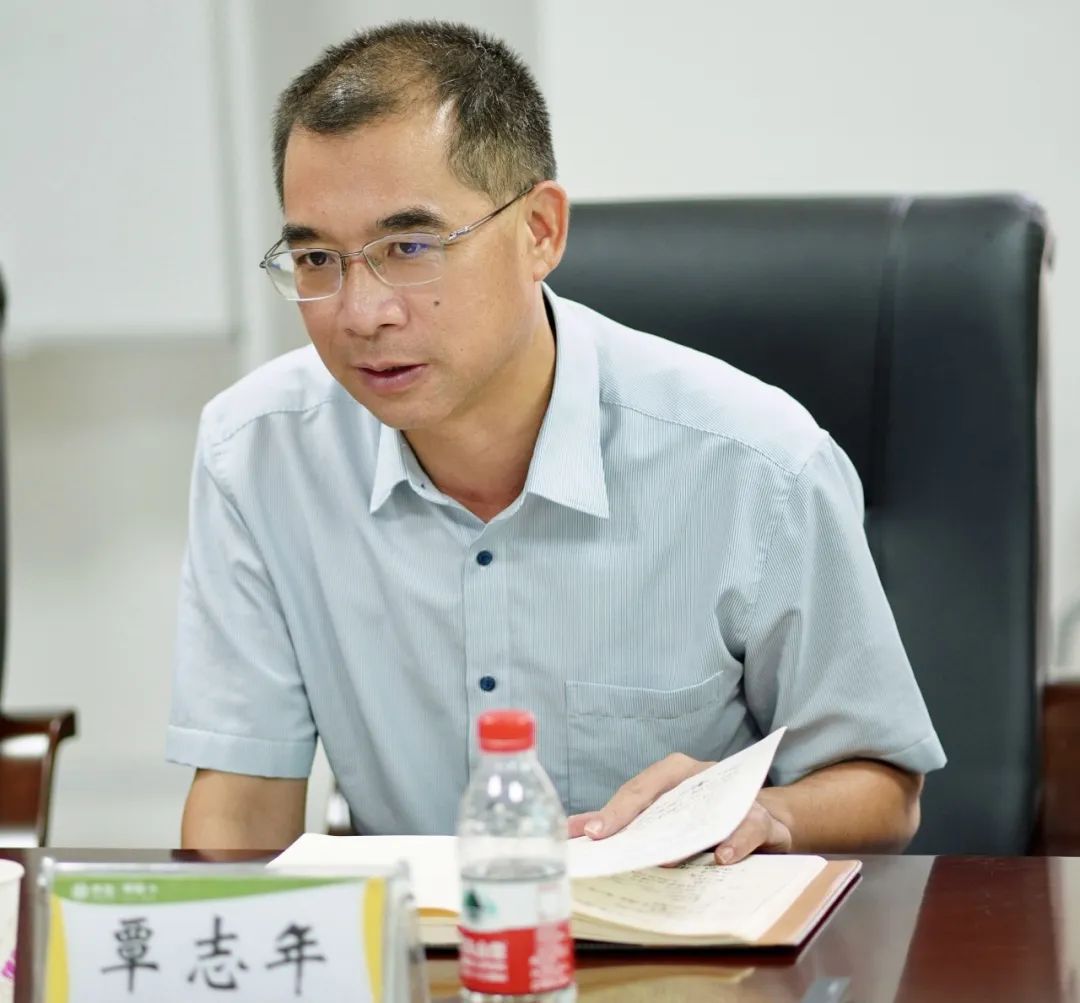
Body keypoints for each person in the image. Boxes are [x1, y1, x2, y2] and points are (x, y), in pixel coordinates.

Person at [169, 19, 945, 857]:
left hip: (681, 934)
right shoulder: (257, 453)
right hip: (421, 939)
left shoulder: (758, 463)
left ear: (540, 231)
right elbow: (241, 808)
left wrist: (772, 814)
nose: (362, 313)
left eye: (410, 246)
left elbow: (882, 783)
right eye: (318, 259)